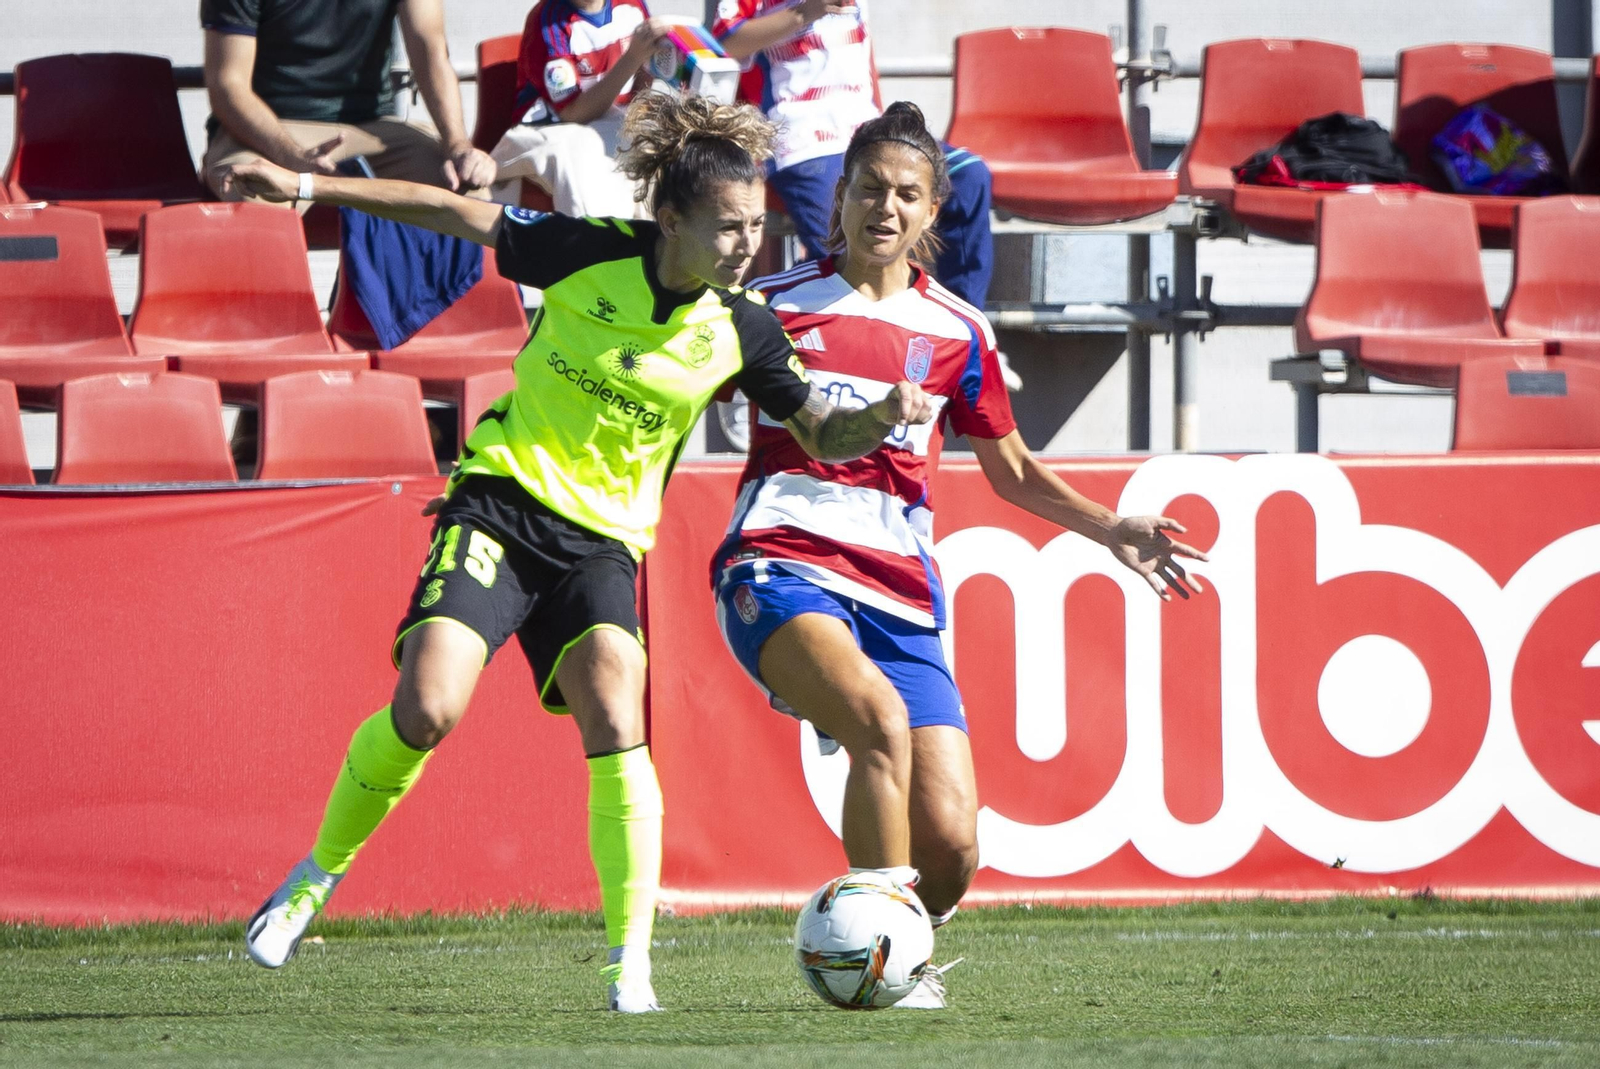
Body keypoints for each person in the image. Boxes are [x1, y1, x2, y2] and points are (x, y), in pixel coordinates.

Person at [220, 93, 937, 1013]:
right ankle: (313, 879)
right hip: (501, 507)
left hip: (604, 544)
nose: (744, 246)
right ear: (670, 219)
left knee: (614, 703)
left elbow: (821, 428)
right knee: (429, 707)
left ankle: (628, 969)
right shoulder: (585, 250)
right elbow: (446, 210)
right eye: (726, 227)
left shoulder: (745, 329)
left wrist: (879, 415)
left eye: (757, 225)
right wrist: (303, 184)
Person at [711, 102, 1209, 1008]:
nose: (885, 208)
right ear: (840, 199)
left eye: (907, 194)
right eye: (869, 189)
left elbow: (1013, 472)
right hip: (778, 564)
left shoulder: (960, 332)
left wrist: (1115, 527)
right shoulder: (768, 308)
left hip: (899, 594)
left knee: (951, 846)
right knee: (875, 721)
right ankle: (876, 965)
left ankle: (894, 944)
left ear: (934, 210)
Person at [709, 0, 997, 316]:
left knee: (970, 176)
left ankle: (965, 333)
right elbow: (724, 43)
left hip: (866, 126)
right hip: (802, 137)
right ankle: (842, 340)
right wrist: (804, 13)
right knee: (848, 246)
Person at [201, 0, 496, 204]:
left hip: (371, 130)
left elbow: (430, 50)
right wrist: (293, 157)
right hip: (265, 136)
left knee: (466, 193)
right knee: (252, 195)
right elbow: (228, 85)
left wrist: (457, 145)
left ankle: (389, 296)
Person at [489, 0, 670, 218]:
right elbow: (573, 113)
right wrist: (632, 57)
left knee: (658, 145)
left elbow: (643, 76)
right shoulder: (549, 21)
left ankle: (649, 238)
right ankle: (597, 245)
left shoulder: (632, 6)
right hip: (548, 128)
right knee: (580, 155)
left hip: (613, 120)